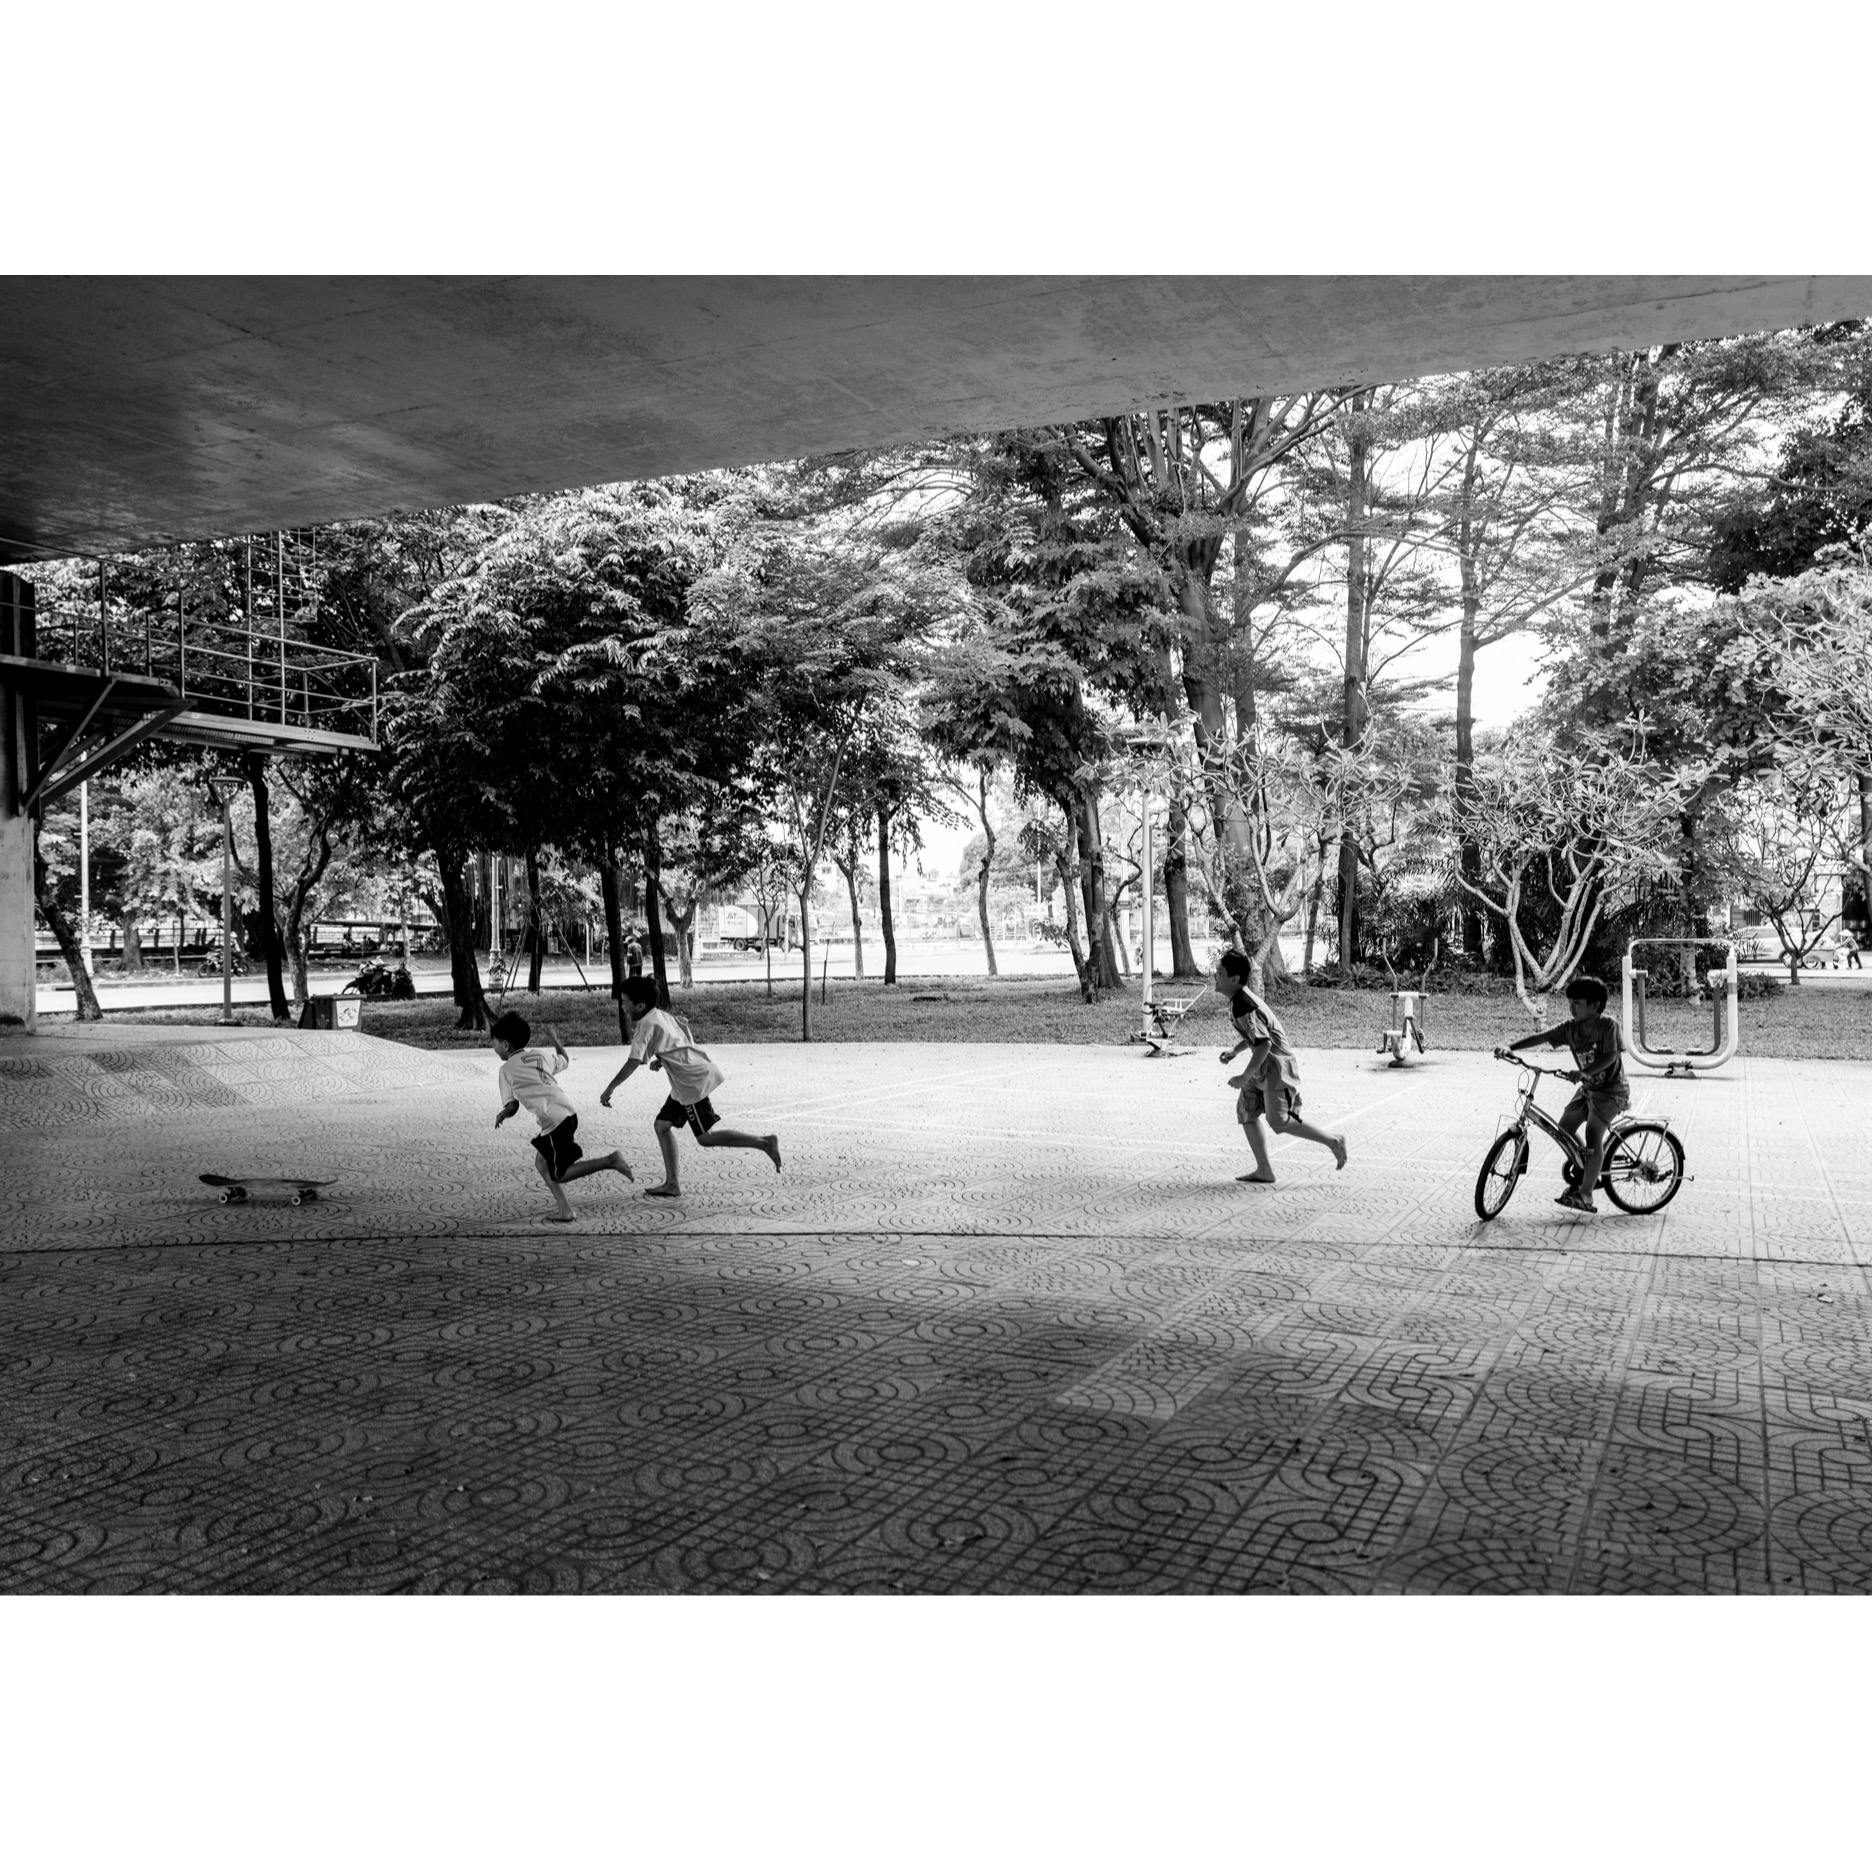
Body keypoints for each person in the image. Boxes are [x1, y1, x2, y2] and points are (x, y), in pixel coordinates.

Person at [600, 977, 781, 1197]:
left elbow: (634, 1061)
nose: (622, 1005)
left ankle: (764, 1143)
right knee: (662, 1125)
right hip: (686, 1080)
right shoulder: (659, 1016)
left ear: (640, 1006)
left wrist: (610, 1087)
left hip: (691, 1082)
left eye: (625, 1001)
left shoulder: (645, 1025)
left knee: (705, 1137)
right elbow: (678, 1039)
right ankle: (672, 1184)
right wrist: (662, 1060)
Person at [1214, 949, 1347, 1184]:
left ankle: (1333, 1141)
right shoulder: (1239, 1000)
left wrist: (1244, 1076)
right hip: (1261, 1066)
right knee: (1246, 1113)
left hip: (1276, 1068)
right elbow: (1255, 1036)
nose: (1216, 975)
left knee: (1280, 1121)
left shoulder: (1242, 1004)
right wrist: (1235, 1052)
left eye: (1220, 972)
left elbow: (1264, 1044)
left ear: (1234, 980)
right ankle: (1264, 1169)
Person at [490, 1011, 632, 1222]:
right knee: (542, 1162)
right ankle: (565, 1210)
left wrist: (503, 1114)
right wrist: (555, 1039)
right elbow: (565, 1059)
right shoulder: (540, 1055)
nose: (492, 1046)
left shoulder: (506, 1070)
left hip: (554, 1121)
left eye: (494, 1042)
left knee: (560, 1174)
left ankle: (610, 1161)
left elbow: (512, 1106)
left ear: (505, 1045)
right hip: (567, 1113)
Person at [1505, 972, 1628, 1216]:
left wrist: (1584, 1072)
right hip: (1589, 1090)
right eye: (1570, 1002)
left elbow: (1611, 1056)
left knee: (1593, 1134)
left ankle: (1586, 1193)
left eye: (1577, 1003)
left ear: (1595, 1006)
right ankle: (1588, 1166)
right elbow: (1542, 1036)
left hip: (1611, 1091)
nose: (1571, 1008)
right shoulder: (1570, 1029)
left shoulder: (1608, 1025)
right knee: (1564, 1128)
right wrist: (1511, 1047)